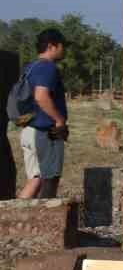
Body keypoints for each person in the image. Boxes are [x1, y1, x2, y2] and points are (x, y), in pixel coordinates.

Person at [18, 28, 69, 200]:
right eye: (63, 45)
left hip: (29, 130)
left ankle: (12, 222)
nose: (65, 50)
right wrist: (59, 120)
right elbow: (41, 96)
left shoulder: (30, 67)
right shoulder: (48, 67)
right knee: (50, 179)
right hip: (45, 133)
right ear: (51, 46)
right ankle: (47, 224)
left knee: (35, 180)